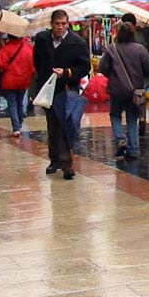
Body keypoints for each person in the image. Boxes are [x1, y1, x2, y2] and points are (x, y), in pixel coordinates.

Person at [32, 10, 90, 179]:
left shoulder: (77, 42)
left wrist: (67, 72)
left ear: (68, 24)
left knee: (66, 125)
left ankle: (66, 163)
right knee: (53, 125)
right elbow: (37, 61)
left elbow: (84, 67)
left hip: (67, 89)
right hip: (49, 89)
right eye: (57, 24)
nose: (60, 27)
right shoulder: (42, 39)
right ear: (51, 24)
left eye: (63, 24)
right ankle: (54, 159)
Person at [99, 22, 149, 159]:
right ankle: (133, 149)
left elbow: (103, 68)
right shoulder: (140, 49)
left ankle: (120, 138)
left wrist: (113, 76)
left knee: (115, 115)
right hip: (135, 90)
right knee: (132, 118)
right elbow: (148, 69)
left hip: (116, 89)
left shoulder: (111, 49)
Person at [0, 33, 35, 137]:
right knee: (20, 103)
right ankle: (19, 123)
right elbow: (33, 64)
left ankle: (16, 128)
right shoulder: (28, 48)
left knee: (12, 104)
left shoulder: (5, 49)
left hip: (9, 80)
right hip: (24, 80)